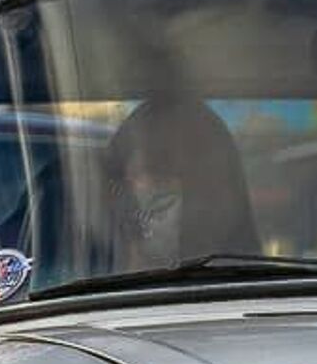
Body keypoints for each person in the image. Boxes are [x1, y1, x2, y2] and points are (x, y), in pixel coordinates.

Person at [105, 97, 259, 270]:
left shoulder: (278, 288)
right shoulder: (84, 290)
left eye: (198, 176)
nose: (181, 189)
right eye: (160, 169)